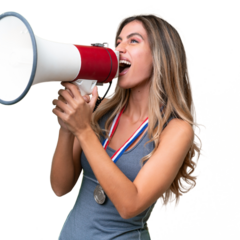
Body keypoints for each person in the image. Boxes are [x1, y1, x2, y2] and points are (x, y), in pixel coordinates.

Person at [50, 12, 209, 240]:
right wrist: (67, 128)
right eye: (118, 42)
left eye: (133, 41)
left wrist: (83, 131)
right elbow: (60, 188)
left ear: (160, 55)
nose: (119, 49)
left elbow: (130, 204)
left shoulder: (176, 130)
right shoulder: (105, 112)